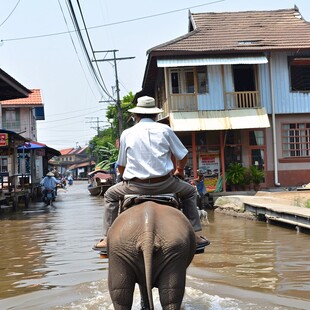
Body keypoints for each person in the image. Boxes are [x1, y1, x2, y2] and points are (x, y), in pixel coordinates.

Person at [93, 96, 209, 251]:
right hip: (166, 185)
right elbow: (183, 155)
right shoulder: (166, 130)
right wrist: (179, 170)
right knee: (189, 192)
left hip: (134, 186)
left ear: (135, 116)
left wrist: (124, 177)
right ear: (156, 115)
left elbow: (121, 165)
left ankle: (107, 238)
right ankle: (194, 235)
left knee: (110, 196)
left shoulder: (127, 133)